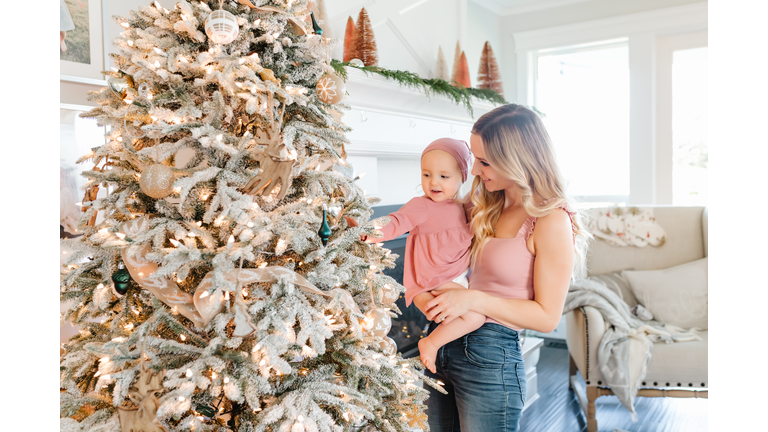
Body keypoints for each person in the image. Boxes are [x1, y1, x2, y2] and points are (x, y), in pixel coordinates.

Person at [414, 104, 591, 432]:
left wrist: (472, 300)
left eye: (485, 161)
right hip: (439, 344)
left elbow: (547, 317)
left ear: (516, 158)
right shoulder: (483, 204)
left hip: (491, 357)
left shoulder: (550, 220)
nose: (476, 171)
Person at [363, 138, 486, 373]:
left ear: (462, 176)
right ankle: (430, 342)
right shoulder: (422, 206)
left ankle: (441, 347)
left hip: (456, 278)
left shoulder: (464, 207)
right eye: (427, 175)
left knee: (469, 315)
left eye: (444, 176)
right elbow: (396, 222)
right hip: (436, 280)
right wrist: (368, 232)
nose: (433, 182)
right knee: (476, 317)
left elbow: (484, 202)